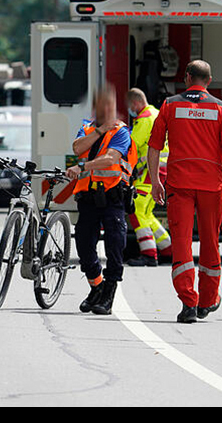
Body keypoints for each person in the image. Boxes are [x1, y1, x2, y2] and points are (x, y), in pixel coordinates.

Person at [149, 60, 222, 324]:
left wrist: (155, 180)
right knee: (210, 243)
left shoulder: (170, 105)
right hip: (213, 187)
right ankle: (208, 301)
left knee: (181, 244)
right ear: (209, 81)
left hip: (180, 185)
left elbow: (154, 146)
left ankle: (189, 303)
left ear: (187, 78)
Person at [66, 89, 137, 315]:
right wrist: (99, 130)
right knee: (84, 245)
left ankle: (109, 292)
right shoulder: (87, 128)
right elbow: (77, 148)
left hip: (112, 197)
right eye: (102, 105)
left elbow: (111, 159)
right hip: (87, 197)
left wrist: (83, 167)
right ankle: (96, 287)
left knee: (114, 246)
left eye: (110, 105)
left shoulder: (121, 131)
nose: (106, 110)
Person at [123, 88, 173, 267]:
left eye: (130, 106)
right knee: (146, 212)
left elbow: (131, 145)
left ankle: (149, 254)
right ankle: (168, 249)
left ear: (135, 103)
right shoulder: (156, 113)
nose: (130, 110)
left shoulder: (144, 119)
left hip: (150, 171)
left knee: (137, 208)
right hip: (160, 170)